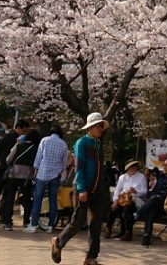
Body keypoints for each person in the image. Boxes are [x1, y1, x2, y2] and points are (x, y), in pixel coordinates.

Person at [50, 112, 110, 265]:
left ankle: (91, 257)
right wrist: (82, 189)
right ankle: (58, 242)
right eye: (98, 125)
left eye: (102, 125)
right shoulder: (81, 143)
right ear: (90, 127)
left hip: (97, 191)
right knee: (78, 221)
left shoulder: (98, 144)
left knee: (96, 225)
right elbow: (79, 168)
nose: (100, 128)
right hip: (84, 189)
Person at [25, 124, 68, 233]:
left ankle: (33, 225)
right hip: (55, 175)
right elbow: (64, 163)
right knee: (53, 201)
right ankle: (50, 226)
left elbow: (39, 156)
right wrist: (59, 172)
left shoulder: (44, 140)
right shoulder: (63, 144)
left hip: (42, 174)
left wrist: (36, 168)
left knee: (37, 200)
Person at [0, 118, 28, 226]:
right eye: (23, 130)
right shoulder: (9, 137)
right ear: (18, 128)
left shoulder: (22, 140)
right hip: (3, 168)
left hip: (13, 170)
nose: (24, 133)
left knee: (7, 194)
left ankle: (3, 216)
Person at [130, 155, 167, 245]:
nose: (164, 167)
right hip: (156, 204)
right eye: (164, 165)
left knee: (154, 199)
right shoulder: (161, 178)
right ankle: (146, 236)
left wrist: (158, 197)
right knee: (151, 208)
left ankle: (137, 215)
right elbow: (154, 191)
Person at [2, 126, 39, 230]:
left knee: (10, 198)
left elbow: (8, 159)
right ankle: (26, 222)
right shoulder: (36, 149)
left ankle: (8, 222)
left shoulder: (19, 145)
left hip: (14, 175)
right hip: (27, 176)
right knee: (27, 198)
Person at [106, 159, 148, 241]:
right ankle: (109, 228)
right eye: (132, 166)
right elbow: (117, 190)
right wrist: (115, 200)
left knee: (129, 207)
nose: (134, 168)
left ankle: (128, 232)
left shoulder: (141, 177)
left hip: (135, 200)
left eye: (135, 166)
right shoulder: (122, 177)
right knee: (113, 207)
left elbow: (144, 191)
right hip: (123, 199)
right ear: (128, 168)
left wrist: (136, 191)